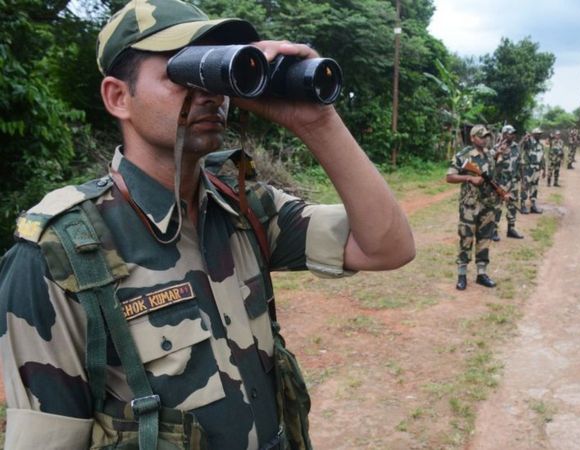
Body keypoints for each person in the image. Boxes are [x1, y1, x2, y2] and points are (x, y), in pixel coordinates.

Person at [0, 0, 415, 448]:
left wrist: (317, 121)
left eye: (213, 69)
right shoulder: (58, 252)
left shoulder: (244, 205)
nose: (209, 92)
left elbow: (387, 247)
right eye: (182, 72)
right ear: (118, 97)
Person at [446, 125, 500, 291]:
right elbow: (450, 177)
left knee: (485, 239)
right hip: (470, 205)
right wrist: (469, 178)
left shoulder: (490, 156)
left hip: (488, 205)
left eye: (486, 136)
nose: (484, 139)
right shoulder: (463, 156)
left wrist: (502, 193)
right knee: (466, 238)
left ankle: (481, 274)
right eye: (481, 136)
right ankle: (462, 275)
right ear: (472, 138)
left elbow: (493, 179)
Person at [491, 125, 524, 240]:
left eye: (514, 133)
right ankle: (493, 230)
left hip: (513, 181)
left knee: (512, 205)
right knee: (497, 207)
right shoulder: (496, 147)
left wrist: (522, 179)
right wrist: (498, 153)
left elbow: (520, 163)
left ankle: (511, 228)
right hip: (500, 181)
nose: (513, 135)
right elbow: (489, 162)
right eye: (510, 133)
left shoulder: (516, 147)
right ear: (504, 134)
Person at [519, 128, 545, 214]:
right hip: (528, 169)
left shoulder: (540, 145)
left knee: (534, 187)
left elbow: (542, 158)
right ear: (533, 134)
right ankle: (522, 205)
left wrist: (544, 169)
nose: (539, 135)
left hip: (537, 169)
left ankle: (533, 205)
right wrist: (524, 138)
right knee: (525, 187)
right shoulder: (528, 143)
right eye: (537, 134)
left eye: (540, 134)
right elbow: (520, 146)